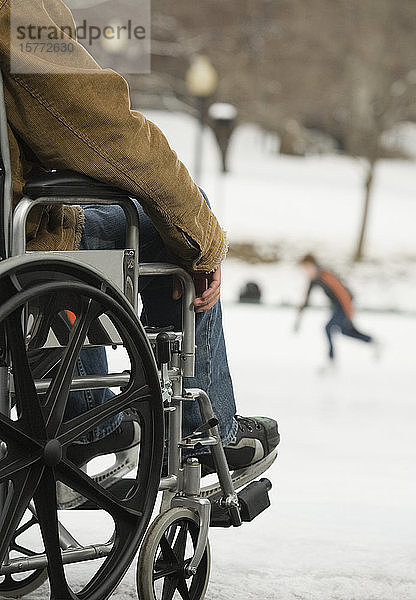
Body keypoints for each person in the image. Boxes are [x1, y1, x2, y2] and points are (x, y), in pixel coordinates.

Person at [0, 0, 279, 473]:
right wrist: (202, 239)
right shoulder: (16, 10)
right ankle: (197, 429)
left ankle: (89, 416)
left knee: (70, 235)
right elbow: (101, 127)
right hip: (19, 254)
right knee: (172, 226)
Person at [295, 253, 375, 366]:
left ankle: (331, 359)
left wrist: (349, 311)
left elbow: (343, 294)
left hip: (344, 305)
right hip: (336, 307)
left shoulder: (326, 275)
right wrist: (299, 317)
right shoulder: (314, 279)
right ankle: (372, 341)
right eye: (304, 269)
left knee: (328, 328)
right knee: (345, 331)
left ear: (314, 265)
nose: (306, 271)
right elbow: (307, 297)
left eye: (307, 268)